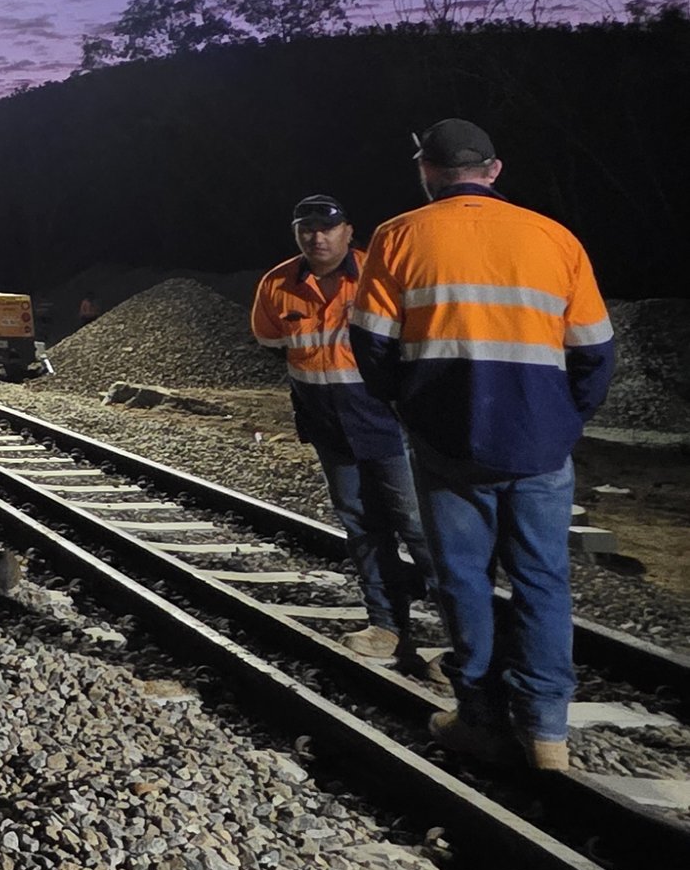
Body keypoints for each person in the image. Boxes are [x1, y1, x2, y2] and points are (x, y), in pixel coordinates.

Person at [350, 121, 614, 775]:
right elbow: (595, 352)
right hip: (541, 446)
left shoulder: (398, 236)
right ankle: (547, 732)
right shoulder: (556, 238)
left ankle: (480, 717)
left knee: (464, 579)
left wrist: (409, 406)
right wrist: (561, 420)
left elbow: (371, 343)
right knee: (543, 582)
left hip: (446, 445)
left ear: (427, 172)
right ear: (493, 170)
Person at [249, 190, 438, 667]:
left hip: (389, 425)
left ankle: (468, 639)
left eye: (327, 227)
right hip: (329, 427)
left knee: (420, 528)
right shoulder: (277, 284)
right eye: (306, 229)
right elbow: (270, 338)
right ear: (297, 235)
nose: (317, 237)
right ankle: (385, 626)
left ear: (348, 231)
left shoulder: (380, 275)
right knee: (362, 527)